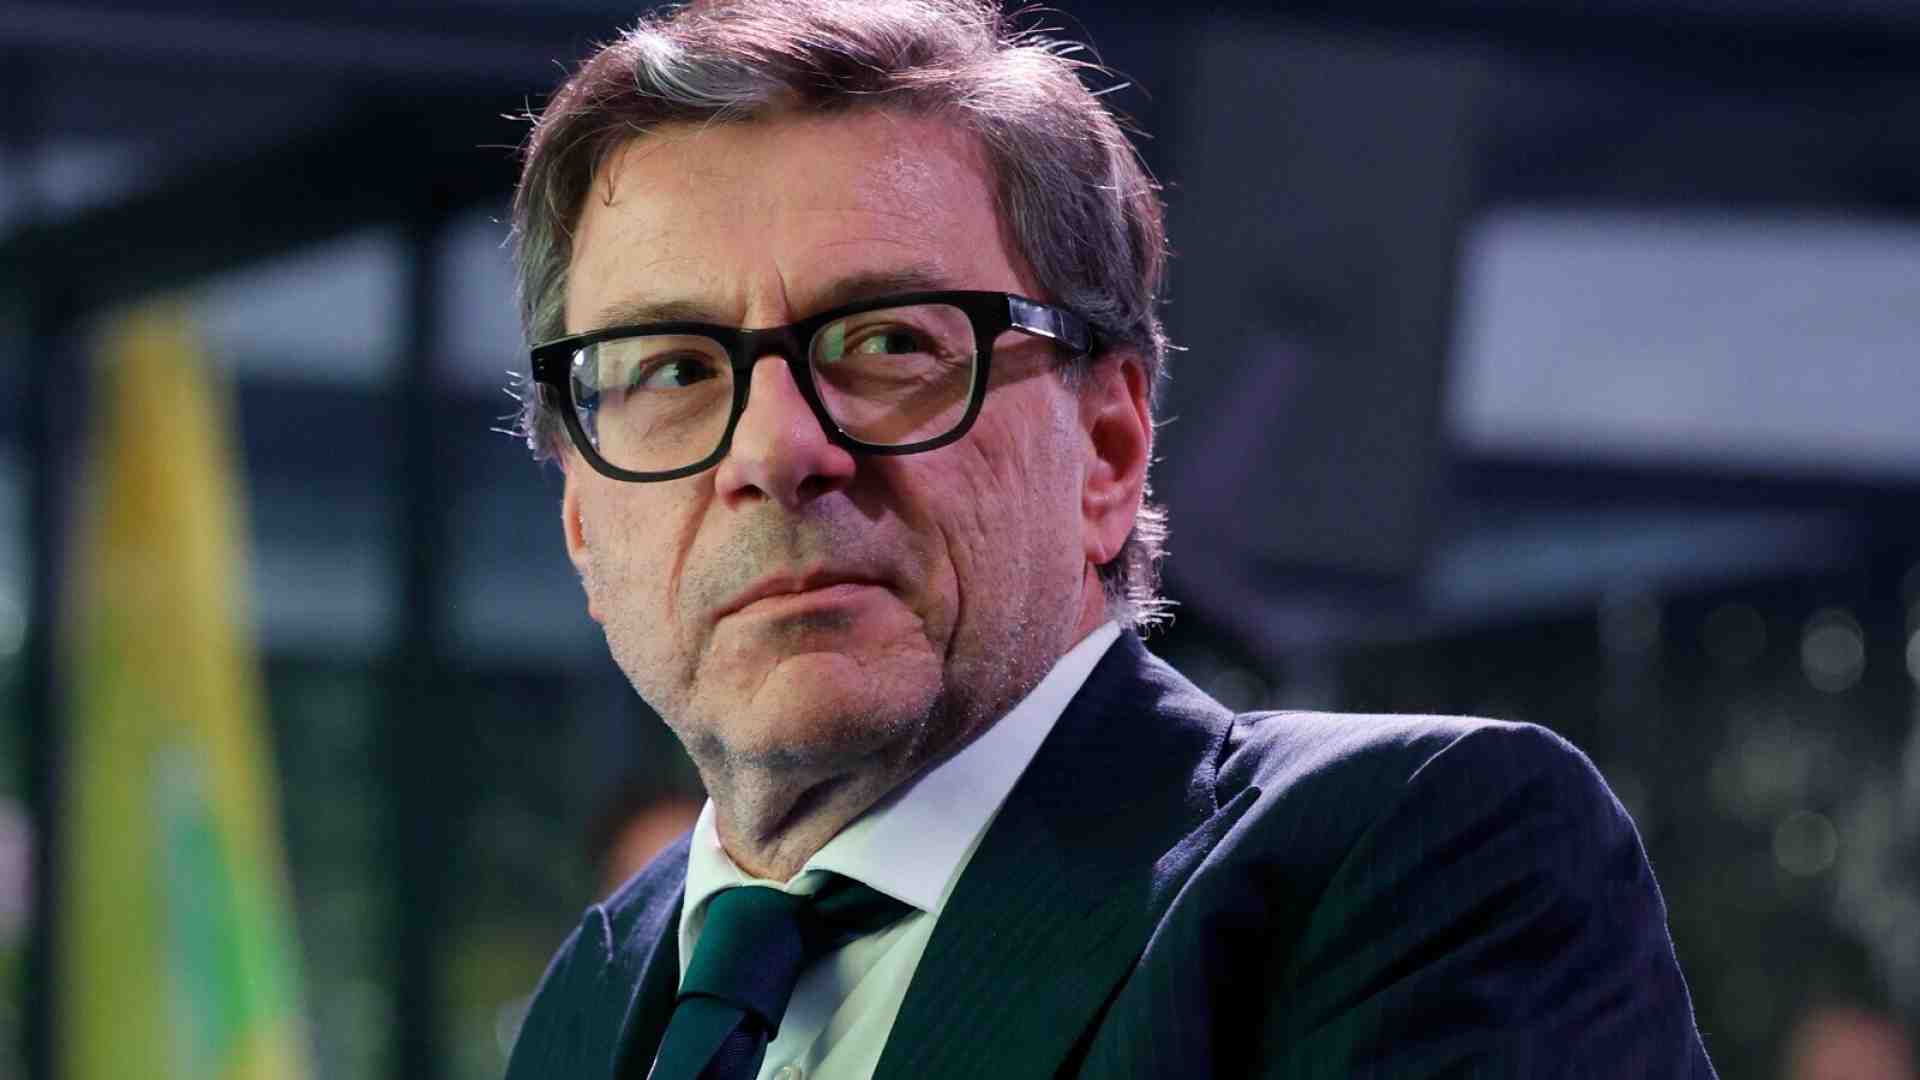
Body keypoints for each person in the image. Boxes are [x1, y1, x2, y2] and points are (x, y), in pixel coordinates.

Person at [501, 2, 1719, 1077]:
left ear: (1109, 447)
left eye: (889, 344)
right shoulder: (597, 996)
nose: (775, 450)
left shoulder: (1416, 868)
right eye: (672, 369)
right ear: (581, 521)